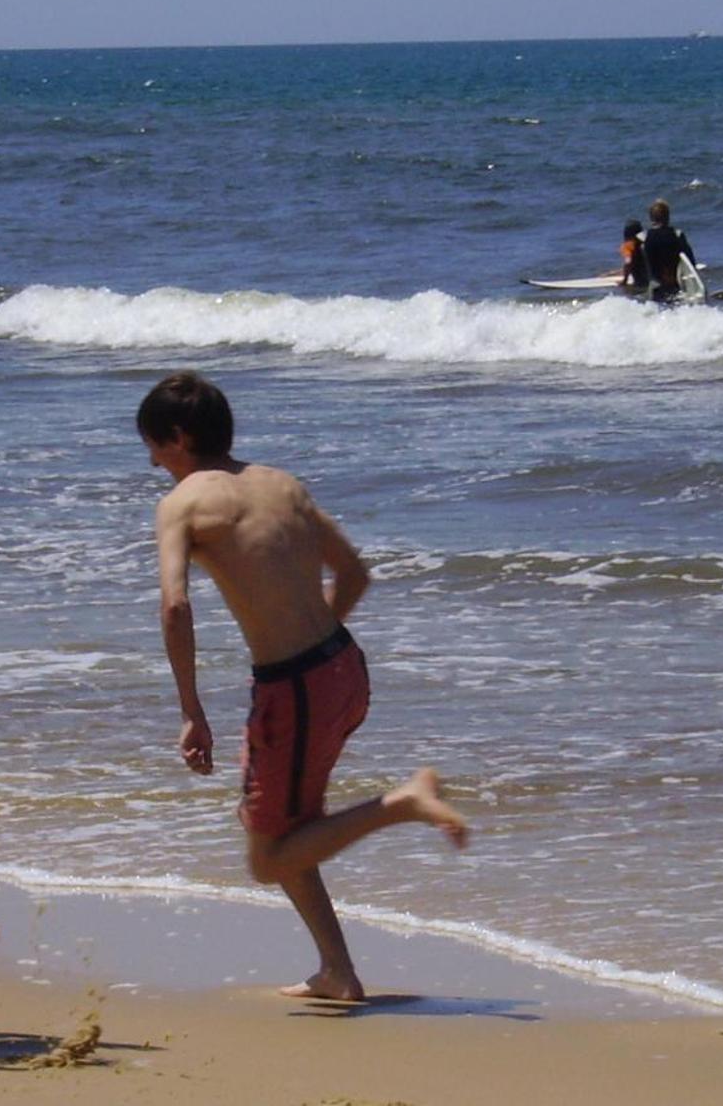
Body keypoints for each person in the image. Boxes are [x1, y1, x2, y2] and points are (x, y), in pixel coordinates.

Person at [138, 371, 468, 1002]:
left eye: (154, 447)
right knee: (287, 824)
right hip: (343, 668)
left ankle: (402, 803)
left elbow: (175, 606)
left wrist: (192, 711)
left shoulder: (182, 503)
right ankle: (337, 972)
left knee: (267, 858)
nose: (153, 462)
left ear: (177, 437)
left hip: (296, 687)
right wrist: (312, 640)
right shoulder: (281, 484)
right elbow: (354, 575)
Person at [642, 198, 698, 301]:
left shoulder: (645, 238)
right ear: (668, 217)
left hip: (656, 283)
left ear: (651, 218)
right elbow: (690, 261)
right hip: (675, 282)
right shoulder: (677, 235)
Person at [618, 217, 650, 292]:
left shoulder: (627, 246)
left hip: (640, 284)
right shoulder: (647, 243)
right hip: (653, 281)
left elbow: (628, 262)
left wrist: (624, 281)